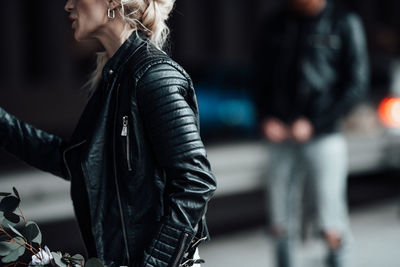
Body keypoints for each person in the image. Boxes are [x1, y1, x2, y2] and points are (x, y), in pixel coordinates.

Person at [0, 0, 216, 266]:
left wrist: (154, 263)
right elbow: (77, 160)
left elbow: (195, 182)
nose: (68, 5)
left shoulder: (155, 77)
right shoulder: (115, 79)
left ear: (113, 2)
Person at [253, 0, 369, 267]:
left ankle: (337, 258)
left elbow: (356, 84)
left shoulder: (344, 22)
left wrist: (315, 123)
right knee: (279, 215)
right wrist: (266, 118)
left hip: (325, 134)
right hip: (279, 133)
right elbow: (258, 76)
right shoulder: (274, 22)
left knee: (331, 212)